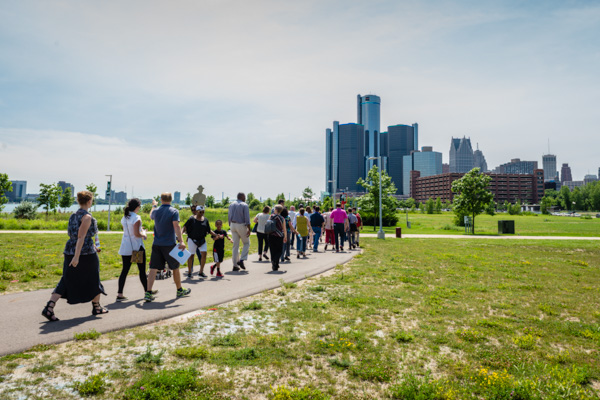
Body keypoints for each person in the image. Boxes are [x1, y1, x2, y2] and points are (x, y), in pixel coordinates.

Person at [42, 190, 107, 321]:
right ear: (89, 201)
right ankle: (97, 307)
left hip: (70, 250)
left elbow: (77, 236)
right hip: (85, 254)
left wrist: (92, 246)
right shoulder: (87, 217)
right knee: (94, 277)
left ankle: (49, 307)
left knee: (66, 279)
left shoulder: (73, 215)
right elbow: (81, 236)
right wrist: (77, 257)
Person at [145, 193, 191, 302]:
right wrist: (181, 241)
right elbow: (176, 226)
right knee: (175, 267)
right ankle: (179, 289)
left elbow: (151, 215)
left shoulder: (156, 211)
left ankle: (148, 292)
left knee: (153, 268)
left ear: (161, 200)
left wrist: (154, 205)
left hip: (157, 244)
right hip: (169, 244)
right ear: (171, 199)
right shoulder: (174, 211)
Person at [116, 198, 150, 302]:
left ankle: (120, 293)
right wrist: (143, 234)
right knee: (141, 271)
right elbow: (136, 234)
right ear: (137, 207)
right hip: (136, 248)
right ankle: (147, 292)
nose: (140, 208)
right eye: (140, 207)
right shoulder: (137, 217)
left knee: (124, 271)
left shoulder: (125, 217)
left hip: (126, 247)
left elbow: (128, 231)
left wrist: (140, 230)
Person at [182, 205, 214, 279]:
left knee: (204, 254)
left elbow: (209, 230)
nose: (202, 213)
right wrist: (180, 235)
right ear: (196, 211)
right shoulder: (191, 219)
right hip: (192, 239)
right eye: (200, 212)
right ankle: (190, 272)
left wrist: (215, 235)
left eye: (203, 212)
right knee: (191, 255)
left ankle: (201, 272)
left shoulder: (205, 220)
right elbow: (185, 227)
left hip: (202, 240)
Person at [228, 192, 251, 271]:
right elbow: (247, 218)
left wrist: (230, 225)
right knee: (246, 243)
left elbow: (229, 215)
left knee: (235, 245)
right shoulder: (244, 205)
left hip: (232, 225)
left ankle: (235, 265)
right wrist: (249, 228)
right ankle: (242, 259)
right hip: (241, 224)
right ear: (243, 197)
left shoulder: (231, 204)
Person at [268, 204, 287, 270]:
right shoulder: (282, 218)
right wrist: (285, 237)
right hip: (279, 236)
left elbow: (268, 224)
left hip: (271, 235)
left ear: (276, 210)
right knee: (279, 250)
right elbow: (284, 229)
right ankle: (275, 261)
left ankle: (274, 263)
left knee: (272, 250)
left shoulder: (271, 216)